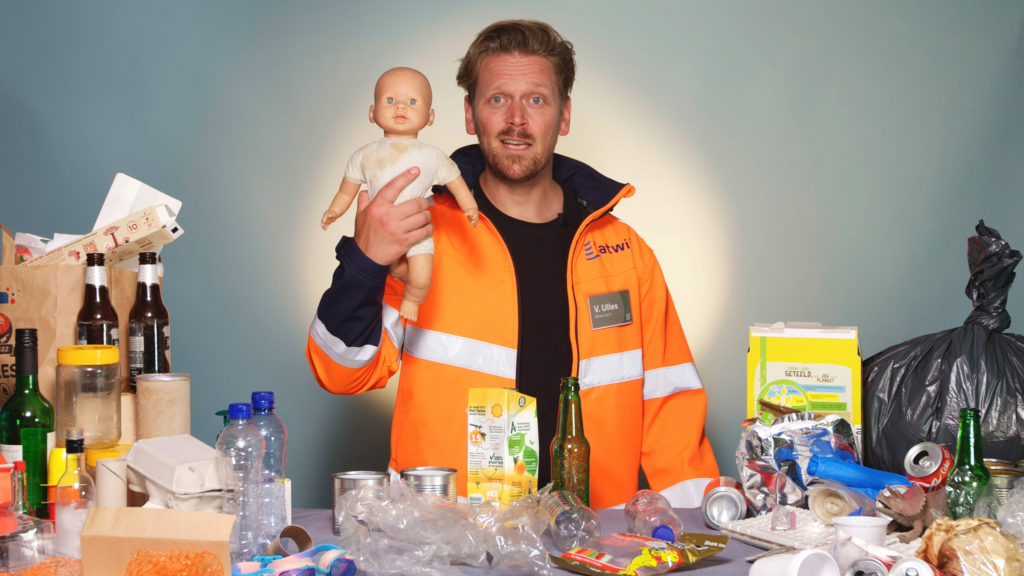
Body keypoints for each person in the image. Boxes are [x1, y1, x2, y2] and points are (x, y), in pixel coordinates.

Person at [307, 20, 719, 508]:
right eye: (498, 99)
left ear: (564, 116)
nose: (517, 120)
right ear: (469, 114)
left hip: (590, 543)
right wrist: (365, 259)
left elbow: (671, 410)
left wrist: (704, 529)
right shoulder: (420, 231)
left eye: (537, 100)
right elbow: (342, 373)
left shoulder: (625, 253)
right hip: (452, 542)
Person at [320, 67, 479, 322]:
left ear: (430, 116)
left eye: (412, 102)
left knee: (421, 275)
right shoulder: (364, 155)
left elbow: (456, 183)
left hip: (416, 230)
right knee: (384, 267)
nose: (400, 107)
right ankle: (394, 273)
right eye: (390, 100)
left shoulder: (433, 156)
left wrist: (470, 207)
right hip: (376, 232)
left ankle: (413, 299)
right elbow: (346, 190)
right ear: (372, 113)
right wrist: (334, 210)